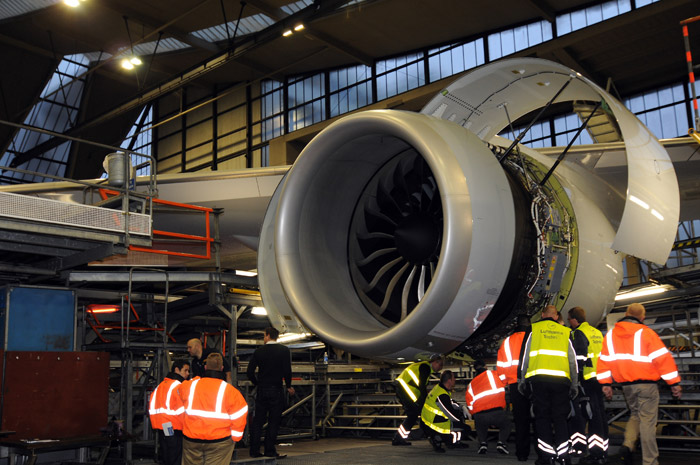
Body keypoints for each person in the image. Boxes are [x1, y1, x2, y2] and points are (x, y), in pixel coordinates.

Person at [597, 303, 682, 465]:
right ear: (642, 317)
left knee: (635, 415)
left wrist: (605, 384)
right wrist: (674, 383)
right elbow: (662, 360)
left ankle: (628, 445)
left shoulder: (611, 335)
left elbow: (603, 361)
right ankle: (650, 461)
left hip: (627, 386)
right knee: (648, 421)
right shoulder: (646, 333)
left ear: (627, 313)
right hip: (647, 385)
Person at [519, 304, 578, 465]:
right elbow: (573, 362)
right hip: (561, 382)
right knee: (560, 419)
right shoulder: (566, 332)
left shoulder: (534, 329)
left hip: (539, 381)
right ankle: (564, 457)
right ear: (556, 316)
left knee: (542, 418)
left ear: (543, 314)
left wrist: (522, 380)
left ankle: (546, 458)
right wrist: (574, 384)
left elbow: (525, 357)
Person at [174, 353, 248, 465]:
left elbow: (179, 391)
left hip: (192, 440)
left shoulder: (191, 385)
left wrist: (196, 379)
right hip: (219, 443)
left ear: (205, 367)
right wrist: (236, 438)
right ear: (222, 369)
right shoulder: (230, 391)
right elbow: (240, 414)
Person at [567, 307, 608, 464]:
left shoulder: (578, 333)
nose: (570, 323)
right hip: (600, 378)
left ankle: (595, 452)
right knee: (600, 415)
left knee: (590, 415)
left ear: (575, 319)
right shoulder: (596, 332)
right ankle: (602, 448)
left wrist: (576, 379)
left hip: (587, 379)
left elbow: (580, 357)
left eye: (570, 319)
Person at [246, 327, 295, 459]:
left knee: (258, 421)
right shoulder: (284, 351)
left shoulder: (259, 351)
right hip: (276, 390)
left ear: (267, 336)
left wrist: (257, 383)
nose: (264, 338)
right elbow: (287, 371)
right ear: (276, 337)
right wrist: (289, 386)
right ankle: (269, 450)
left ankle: (254, 451)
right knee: (274, 421)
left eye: (264, 336)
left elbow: (249, 371)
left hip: (262, 390)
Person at [496, 314, 532, 462]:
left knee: (520, 421)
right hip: (532, 383)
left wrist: (507, 382)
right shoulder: (534, 339)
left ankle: (522, 453)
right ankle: (542, 451)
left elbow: (501, 366)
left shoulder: (507, 341)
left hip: (515, 385)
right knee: (538, 419)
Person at [392, 354, 443, 446]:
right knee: (415, 415)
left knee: (412, 416)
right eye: (440, 365)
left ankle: (398, 438)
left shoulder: (422, 367)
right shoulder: (425, 367)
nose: (440, 368)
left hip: (403, 389)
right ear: (435, 362)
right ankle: (399, 438)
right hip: (405, 390)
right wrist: (424, 401)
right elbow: (421, 386)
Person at [149, 360, 190, 465]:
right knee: (175, 457)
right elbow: (181, 410)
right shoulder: (178, 386)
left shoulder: (161, 386)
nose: (187, 374)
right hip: (175, 427)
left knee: (167, 456)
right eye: (185, 370)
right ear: (177, 370)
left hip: (163, 427)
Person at [466, 360, 511, 455]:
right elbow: (506, 381)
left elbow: (469, 404)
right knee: (506, 424)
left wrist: (474, 414)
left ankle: (482, 444)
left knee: (480, 426)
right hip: (497, 413)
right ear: (485, 367)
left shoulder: (471, 384)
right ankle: (501, 443)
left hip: (480, 415)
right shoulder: (493, 374)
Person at [421, 370, 470, 453]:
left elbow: (450, 402)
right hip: (434, 424)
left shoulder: (439, 388)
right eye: (453, 378)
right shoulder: (442, 395)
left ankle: (450, 441)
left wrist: (462, 407)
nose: (455, 380)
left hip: (429, 421)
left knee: (459, 421)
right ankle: (438, 438)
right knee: (466, 429)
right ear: (449, 381)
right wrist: (462, 418)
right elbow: (450, 413)